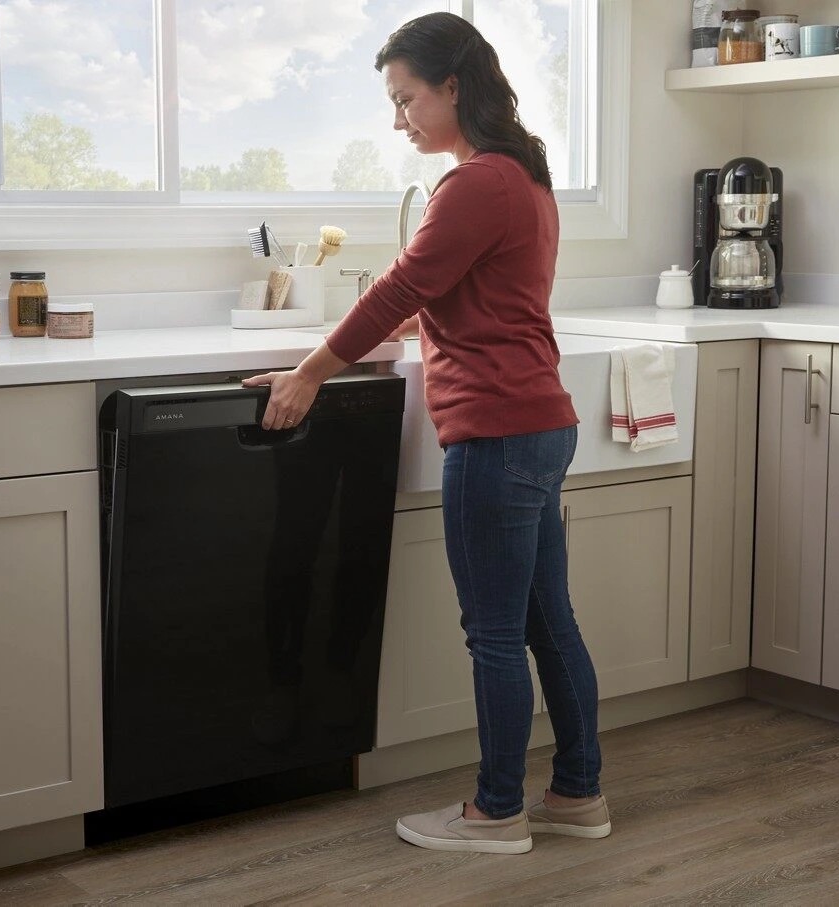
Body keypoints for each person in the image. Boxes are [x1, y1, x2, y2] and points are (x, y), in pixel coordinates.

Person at [242, 11, 610, 855]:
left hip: (496, 433)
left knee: (493, 634)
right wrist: (419, 331)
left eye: (406, 98)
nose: (398, 116)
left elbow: (398, 288)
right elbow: (480, 297)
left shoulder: (477, 181)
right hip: (540, 422)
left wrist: (308, 372)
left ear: (453, 85)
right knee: (550, 621)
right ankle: (579, 793)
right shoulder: (523, 174)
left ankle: (495, 811)